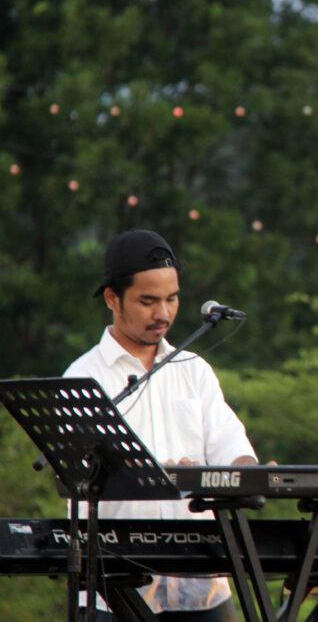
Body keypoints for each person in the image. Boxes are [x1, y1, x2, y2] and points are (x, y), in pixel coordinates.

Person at [65, 229, 258, 621]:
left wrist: (248, 474)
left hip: (200, 584)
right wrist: (152, 472)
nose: (164, 314)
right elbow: (75, 479)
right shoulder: (83, 378)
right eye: (148, 301)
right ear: (112, 299)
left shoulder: (194, 370)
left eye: (172, 299)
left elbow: (232, 448)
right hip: (114, 586)